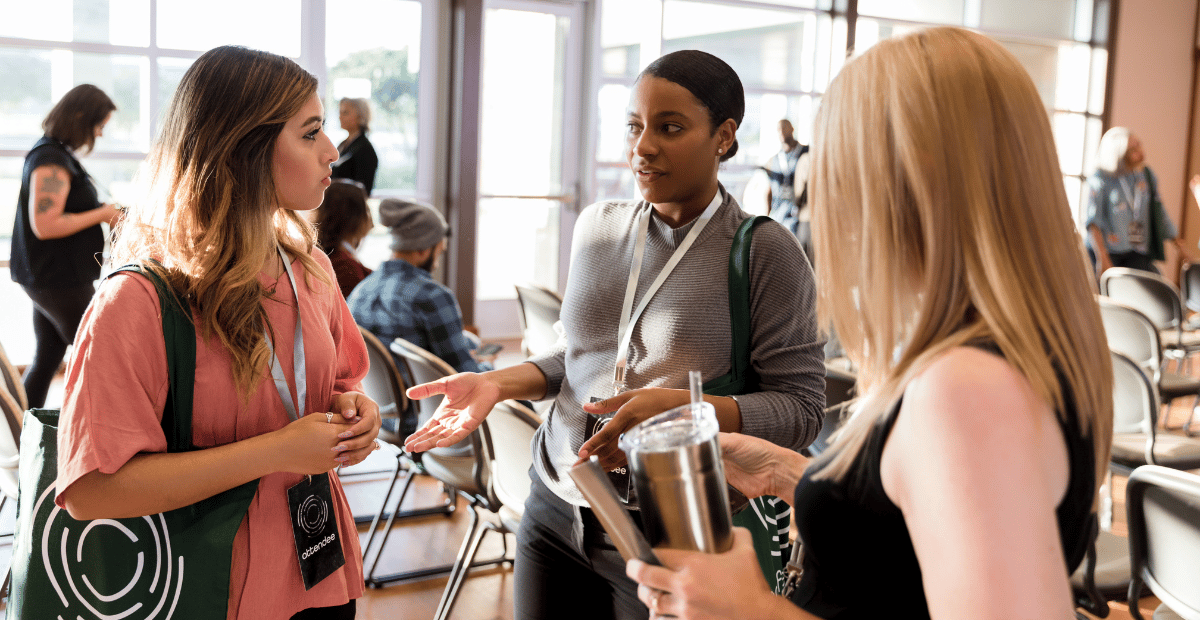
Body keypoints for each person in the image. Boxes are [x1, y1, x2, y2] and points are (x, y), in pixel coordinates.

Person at [625, 27, 1113, 620]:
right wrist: (792, 473)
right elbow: (911, 541)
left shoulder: (966, 390)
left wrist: (751, 610)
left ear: (906, 181)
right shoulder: (1009, 353)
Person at [403, 50, 825, 620]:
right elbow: (581, 357)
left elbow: (801, 411)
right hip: (556, 502)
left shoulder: (765, 250)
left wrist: (677, 408)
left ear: (724, 137)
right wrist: (497, 383)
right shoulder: (600, 226)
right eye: (634, 126)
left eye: (669, 128)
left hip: (672, 529)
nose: (642, 147)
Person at [54, 46, 382, 620]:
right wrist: (277, 451)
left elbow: (337, 383)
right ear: (245, 150)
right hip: (201, 588)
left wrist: (354, 413)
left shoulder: (309, 268)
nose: (332, 151)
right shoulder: (140, 300)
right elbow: (90, 491)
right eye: (310, 134)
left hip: (318, 570)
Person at [10, 84, 122, 408]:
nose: (99, 134)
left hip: (50, 278)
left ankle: (25, 436)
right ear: (81, 118)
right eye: (99, 126)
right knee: (99, 355)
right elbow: (45, 225)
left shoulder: (55, 155)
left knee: (46, 357)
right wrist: (101, 213)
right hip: (58, 280)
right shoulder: (50, 160)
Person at [348, 198, 492, 374]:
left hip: (383, 398)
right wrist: (487, 363)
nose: (437, 263)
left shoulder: (362, 289)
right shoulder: (433, 295)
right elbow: (466, 375)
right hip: (429, 399)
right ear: (423, 250)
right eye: (439, 252)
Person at [1086, 126, 1190, 275]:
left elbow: (1159, 212)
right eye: (1133, 150)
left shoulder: (1145, 175)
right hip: (1109, 252)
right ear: (1119, 153)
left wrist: (1180, 246)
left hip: (1137, 251)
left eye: (1139, 146)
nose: (1141, 154)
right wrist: (1102, 258)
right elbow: (1093, 222)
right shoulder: (1101, 178)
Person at [314, 179, 374, 298]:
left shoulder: (325, 255)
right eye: (366, 210)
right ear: (353, 216)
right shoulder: (345, 268)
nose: (372, 223)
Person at [762, 120, 810, 244]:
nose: (782, 132)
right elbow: (769, 191)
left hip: (801, 217)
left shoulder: (807, 153)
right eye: (779, 130)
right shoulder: (774, 160)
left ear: (792, 129)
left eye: (785, 128)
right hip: (780, 216)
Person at [331, 97, 379, 195]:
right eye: (340, 112)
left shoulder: (365, 149)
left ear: (360, 116)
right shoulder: (342, 145)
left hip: (349, 207)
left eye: (345, 113)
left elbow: (364, 189)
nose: (340, 117)